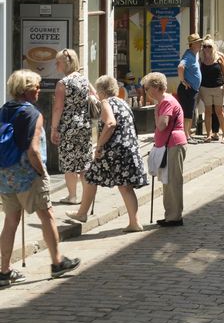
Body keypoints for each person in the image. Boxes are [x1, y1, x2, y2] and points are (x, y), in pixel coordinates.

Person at [0, 70, 80, 285]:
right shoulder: (32, 113)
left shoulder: (4, 110)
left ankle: (4, 270)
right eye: (35, 86)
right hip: (28, 175)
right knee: (47, 216)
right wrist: (42, 172)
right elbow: (33, 149)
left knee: (10, 221)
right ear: (25, 90)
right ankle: (57, 262)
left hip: (6, 174)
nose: (39, 90)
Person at [65, 75, 148, 232]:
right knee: (125, 186)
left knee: (91, 177)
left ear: (102, 91)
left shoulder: (106, 102)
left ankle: (82, 213)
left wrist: (99, 146)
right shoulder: (123, 102)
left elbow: (110, 123)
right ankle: (134, 222)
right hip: (128, 148)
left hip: (114, 150)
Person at [50, 48, 96, 206]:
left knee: (69, 163)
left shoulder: (63, 83)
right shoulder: (83, 80)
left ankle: (72, 196)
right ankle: (87, 197)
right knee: (83, 163)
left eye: (58, 62)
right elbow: (95, 96)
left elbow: (58, 108)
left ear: (65, 64)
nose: (56, 65)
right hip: (84, 124)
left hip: (68, 126)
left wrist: (53, 129)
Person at [142, 72, 188, 227]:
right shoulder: (164, 101)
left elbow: (162, 125)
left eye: (147, 88)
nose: (147, 91)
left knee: (173, 181)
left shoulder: (166, 102)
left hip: (173, 144)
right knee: (168, 181)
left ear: (155, 87)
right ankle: (170, 215)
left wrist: (156, 113)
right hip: (170, 145)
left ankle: (175, 217)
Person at [199, 39, 224, 143]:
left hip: (218, 87)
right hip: (205, 88)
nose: (207, 48)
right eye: (205, 46)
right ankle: (208, 135)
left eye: (209, 46)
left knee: (219, 112)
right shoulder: (201, 59)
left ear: (213, 47)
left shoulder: (219, 57)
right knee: (208, 112)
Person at [177, 34, 203, 139]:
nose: (200, 44)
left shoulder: (193, 55)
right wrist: (183, 81)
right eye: (198, 42)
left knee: (190, 113)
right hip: (187, 89)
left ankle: (187, 134)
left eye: (200, 42)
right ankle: (186, 136)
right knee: (187, 113)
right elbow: (180, 67)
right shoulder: (188, 55)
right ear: (192, 44)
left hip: (192, 90)